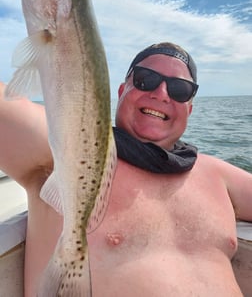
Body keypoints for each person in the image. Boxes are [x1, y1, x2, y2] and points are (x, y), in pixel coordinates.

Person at [0, 40, 252, 297]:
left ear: (189, 109)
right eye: (146, 79)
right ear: (122, 90)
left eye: (179, 89)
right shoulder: (68, 147)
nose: (162, 93)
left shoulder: (216, 174)